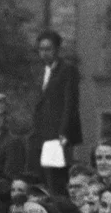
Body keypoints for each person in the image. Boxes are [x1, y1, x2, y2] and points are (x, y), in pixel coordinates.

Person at [28, 30, 82, 195]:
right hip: (41, 132)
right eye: (41, 49)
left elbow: (70, 102)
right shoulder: (40, 71)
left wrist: (63, 132)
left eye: (48, 49)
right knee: (40, 176)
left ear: (57, 49)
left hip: (57, 133)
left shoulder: (67, 70)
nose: (44, 53)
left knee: (56, 178)